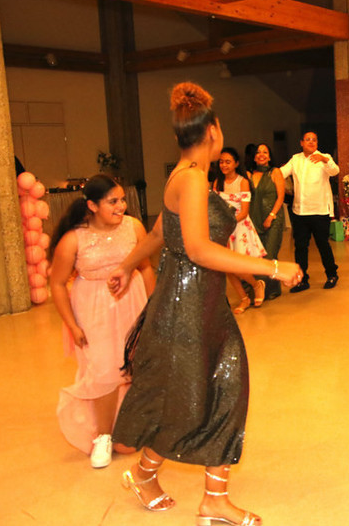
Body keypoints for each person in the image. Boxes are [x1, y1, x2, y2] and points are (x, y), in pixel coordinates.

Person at [108, 82, 302, 525]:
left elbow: (160, 233)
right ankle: (155, 479)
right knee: (193, 397)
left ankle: (210, 497)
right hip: (187, 307)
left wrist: (125, 264)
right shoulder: (192, 179)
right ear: (212, 130)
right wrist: (272, 267)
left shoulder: (183, 175)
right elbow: (197, 249)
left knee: (217, 390)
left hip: (202, 303)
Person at [48, 174, 154, 469]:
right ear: (92, 206)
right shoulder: (73, 239)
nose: (121, 206)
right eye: (112, 202)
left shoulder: (134, 227)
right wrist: (72, 324)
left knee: (136, 366)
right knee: (105, 370)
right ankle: (103, 436)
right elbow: (57, 284)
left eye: (122, 200)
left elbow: (146, 268)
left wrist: (153, 307)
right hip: (94, 309)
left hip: (132, 301)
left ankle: (135, 425)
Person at [280, 131, 340, 291]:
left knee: (323, 245)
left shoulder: (324, 157)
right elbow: (281, 173)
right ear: (301, 143)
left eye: (314, 139)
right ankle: (302, 280)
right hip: (300, 212)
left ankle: (332, 274)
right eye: (308, 139)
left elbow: (335, 171)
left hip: (320, 211)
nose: (311, 142)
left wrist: (324, 160)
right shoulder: (296, 159)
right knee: (300, 247)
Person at [212, 147, 267, 313]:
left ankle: (256, 285)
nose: (224, 165)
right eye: (221, 162)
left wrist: (228, 223)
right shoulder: (217, 182)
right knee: (227, 267)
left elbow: (244, 212)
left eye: (228, 162)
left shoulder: (242, 182)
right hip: (223, 229)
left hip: (239, 227)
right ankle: (244, 298)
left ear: (236, 163)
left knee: (239, 266)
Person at [250, 143, 286, 300]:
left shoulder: (275, 172)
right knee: (257, 256)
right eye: (258, 152)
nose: (261, 155)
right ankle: (270, 288)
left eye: (265, 152)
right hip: (255, 218)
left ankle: (264, 289)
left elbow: (280, 196)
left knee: (269, 254)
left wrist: (271, 216)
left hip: (273, 218)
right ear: (254, 157)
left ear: (269, 156)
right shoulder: (249, 175)